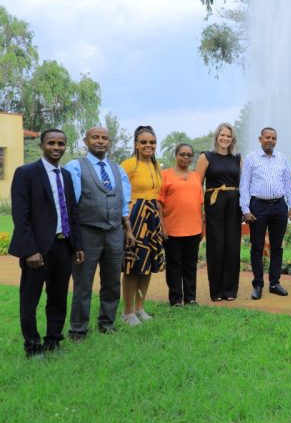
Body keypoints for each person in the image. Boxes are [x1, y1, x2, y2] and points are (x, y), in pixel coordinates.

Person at [9, 129, 84, 357]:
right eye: (51, 143)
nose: (56, 147)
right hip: (38, 249)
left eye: (61, 144)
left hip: (63, 245)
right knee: (30, 298)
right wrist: (30, 249)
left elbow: (72, 211)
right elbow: (21, 215)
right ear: (42, 145)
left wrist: (78, 245)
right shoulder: (26, 173)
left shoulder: (67, 176)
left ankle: (53, 341)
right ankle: (32, 345)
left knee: (58, 297)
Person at [64, 126, 134, 340]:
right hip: (87, 232)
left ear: (109, 142)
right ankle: (78, 329)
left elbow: (123, 202)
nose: (101, 141)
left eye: (104, 138)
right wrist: (74, 240)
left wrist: (127, 229)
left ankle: (107, 323)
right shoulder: (75, 167)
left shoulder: (117, 169)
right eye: (95, 138)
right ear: (86, 140)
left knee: (112, 281)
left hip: (114, 232)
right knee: (83, 283)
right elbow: (70, 205)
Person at [240, 127, 291, 299]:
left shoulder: (281, 158)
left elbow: (288, 184)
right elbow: (244, 185)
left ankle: (274, 283)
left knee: (277, 247)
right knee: (257, 247)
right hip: (258, 206)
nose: (270, 140)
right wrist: (245, 210)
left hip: (279, 206)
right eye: (267, 137)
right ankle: (258, 284)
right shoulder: (251, 159)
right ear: (260, 139)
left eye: (273, 138)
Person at [120, 125, 166, 325]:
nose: (149, 145)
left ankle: (140, 307)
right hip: (135, 216)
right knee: (132, 265)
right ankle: (127, 311)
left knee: (147, 265)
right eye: (144, 142)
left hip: (152, 217)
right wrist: (126, 224)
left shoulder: (157, 166)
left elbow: (158, 197)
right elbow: (121, 195)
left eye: (152, 142)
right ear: (136, 144)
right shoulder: (128, 165)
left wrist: (161, 224)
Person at [195, 122, 242, 301]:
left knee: (232, 245)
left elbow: (244, 183)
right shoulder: (206, 157)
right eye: (222, 135)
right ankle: (216, 291)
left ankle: (230, 290)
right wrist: (199, 210)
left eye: (228, 136)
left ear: (232, 139)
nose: (225, 138)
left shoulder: (237, 158)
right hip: (214, 203)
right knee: (216, 246)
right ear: (216, 137)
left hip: (234, 204)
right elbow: (197, 185)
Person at [160, 143, 204, 306]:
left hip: (193, 228)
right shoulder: (165, 175)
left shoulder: (196, 177)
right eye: (182, 154)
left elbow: (200, 203)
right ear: (175, 155)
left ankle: (191, 298)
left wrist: (202, 226)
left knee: (190, 265)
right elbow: (159, 203)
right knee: (174, 265)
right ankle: (176, 299)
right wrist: (162, 225)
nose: (186, 157)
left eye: (189, 155)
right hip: (172, 229)